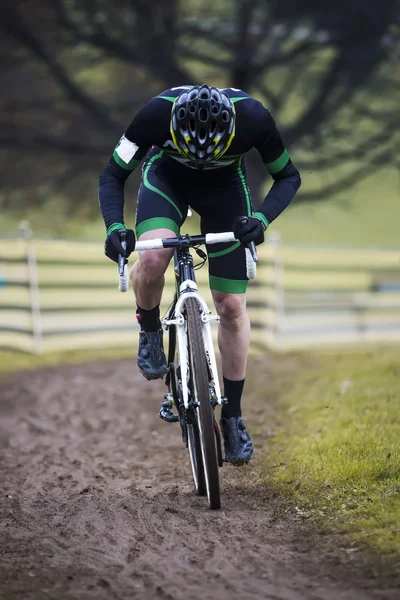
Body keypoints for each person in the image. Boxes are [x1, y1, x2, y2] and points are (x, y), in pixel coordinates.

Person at [98, 84, 301, 466]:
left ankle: (234, 415)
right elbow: (112, 175)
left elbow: (288, 176)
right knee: (155, 255)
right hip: (167, 181)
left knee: (231, 306)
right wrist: (113, 228)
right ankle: (150, 330)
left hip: (225, 191)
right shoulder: (155, 113)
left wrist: (261, 219)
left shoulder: (253, 118)